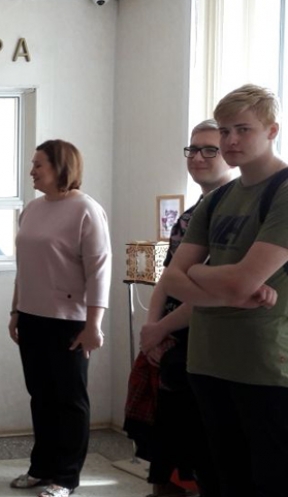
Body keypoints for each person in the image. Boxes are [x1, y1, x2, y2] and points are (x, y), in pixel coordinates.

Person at [161, 84, 288, 497]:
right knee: (220, 482)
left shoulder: (283, 191)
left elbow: (241, 281)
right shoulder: (218, 199)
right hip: (208, 360)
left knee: (268, 483)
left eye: (243, 130)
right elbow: (172, 278)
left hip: (264, 366)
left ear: (272, 130)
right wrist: (227, 288)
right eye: (225, 130)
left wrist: (201, 272)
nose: (231, 140)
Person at [7, 139, 111, 497]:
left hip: (70, 322)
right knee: (41, 397)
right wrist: (15, 310)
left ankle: (65, 477)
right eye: (33, 164)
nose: (32, 171)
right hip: (31, 317)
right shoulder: (32, 209)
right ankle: (41, 468)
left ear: (61, 167)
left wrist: (94, 325)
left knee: (69, 400)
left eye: (39, 165)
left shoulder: (86, 210)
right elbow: (24, 267)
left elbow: (99, 271)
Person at [135, 121, 231, 496]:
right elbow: (168, 278)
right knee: (167, 448)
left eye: (209, 149)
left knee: (204, 451)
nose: (198, 157)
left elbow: (211, 291)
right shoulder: (190, 215)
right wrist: (152, 329)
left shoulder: (232, 214)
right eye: (193, 149)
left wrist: (162, 329)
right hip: (171, 342)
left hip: (206, 341)